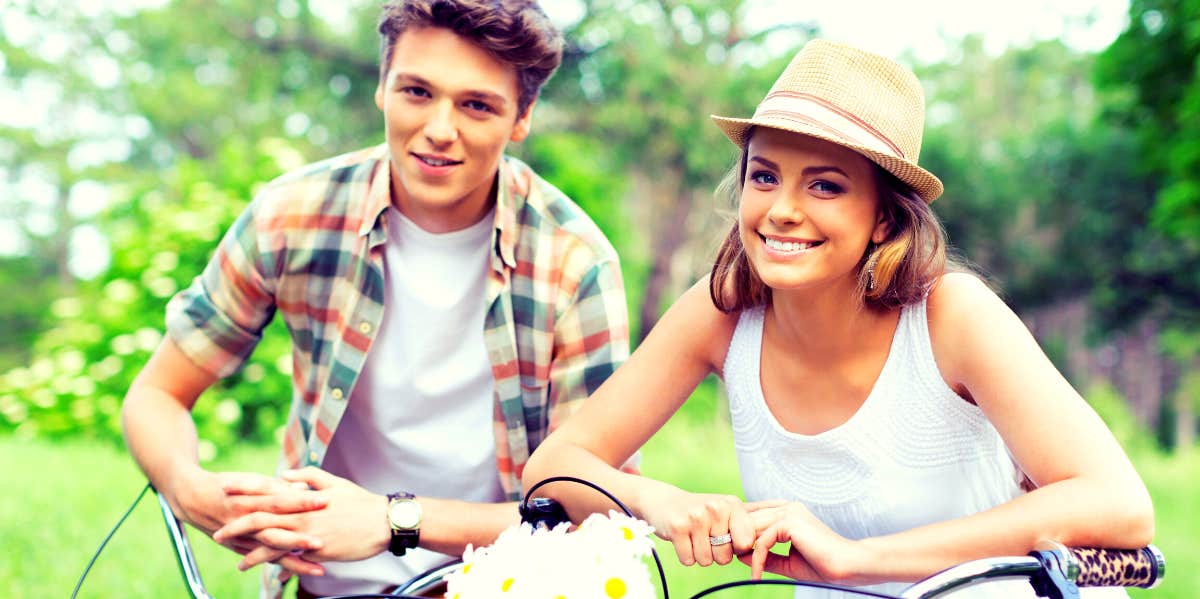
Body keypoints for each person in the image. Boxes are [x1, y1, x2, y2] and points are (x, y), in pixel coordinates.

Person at [523, 39, 1154, 597]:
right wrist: (659, 502)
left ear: (884, 217)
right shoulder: (720, 312)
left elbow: (1119, 505)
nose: (781, 211)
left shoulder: (951, 315)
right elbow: (552, 467)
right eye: (763, 176)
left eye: (824, 186)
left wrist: (854, 561)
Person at [121, 1, 632, 597]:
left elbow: (596, 514)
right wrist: (187, 487)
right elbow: (156, 394)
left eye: (476, 104)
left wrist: (393, 522)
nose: (440, 129)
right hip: (322, 584)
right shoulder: (293, 216)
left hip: (499, 585)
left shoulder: (575, 263)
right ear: (382, 87)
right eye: (417, 92)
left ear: (521, 118)